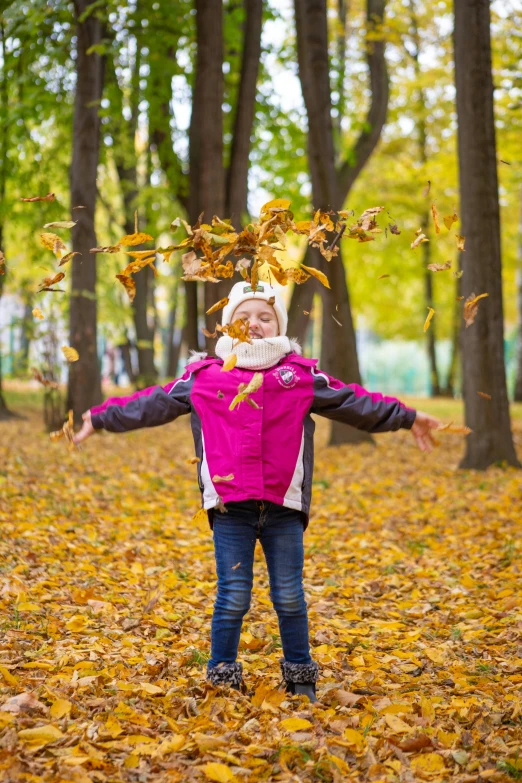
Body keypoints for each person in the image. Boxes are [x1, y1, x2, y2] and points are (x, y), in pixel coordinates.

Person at [73, 281, 440, 703]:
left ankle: (300, 676)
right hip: (231, 508)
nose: (255, 324)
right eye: (244, 318)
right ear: (229, 326)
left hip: (284, 507)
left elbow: (355, 403)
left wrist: (407, 417)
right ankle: (222, 674)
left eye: (265, 317)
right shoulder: (206, 377)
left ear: (279, 326)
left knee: (289, 594)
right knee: (232, 596)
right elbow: (150, 403)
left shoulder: (300, 376)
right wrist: (101, 418)